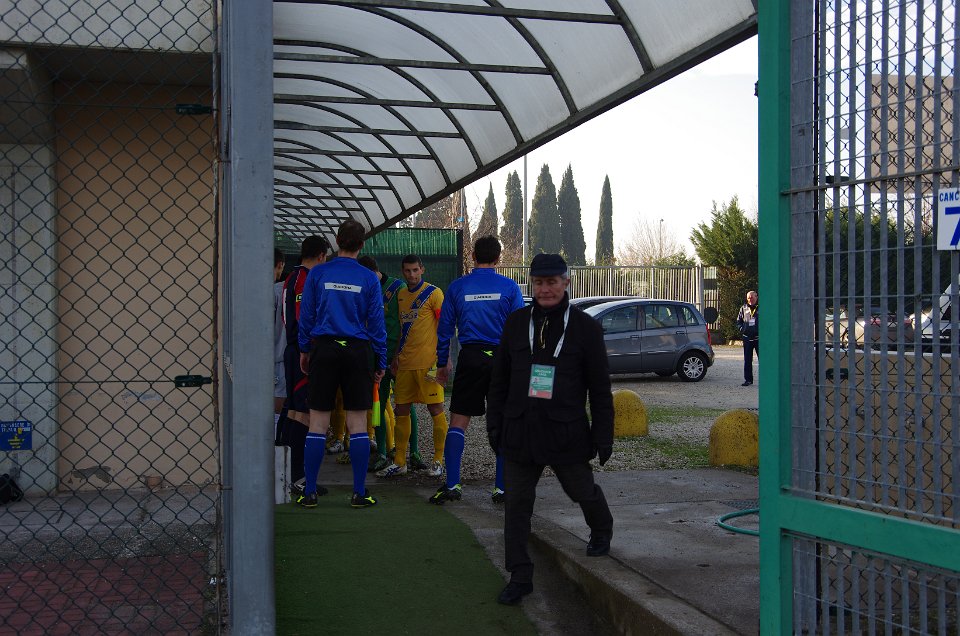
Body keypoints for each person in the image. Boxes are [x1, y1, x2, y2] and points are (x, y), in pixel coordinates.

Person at [486, 253, 614, 606]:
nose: (545, 289)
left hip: (565, 432)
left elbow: (600, 388)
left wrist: (603, 434)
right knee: (516, 505)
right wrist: (495, 424)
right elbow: (499, 381)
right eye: (539, 283)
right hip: (519, 431)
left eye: (552, 282)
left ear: (566, 282)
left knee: (581, 490)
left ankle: (601, 528)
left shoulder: (586, 328)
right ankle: (519, 576)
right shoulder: (516, 323)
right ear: (532, 284)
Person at [297, 220, 387, 508]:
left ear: (336, 241)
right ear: (362, 245)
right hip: (357, 351)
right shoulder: (369, 278)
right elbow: (377, 323)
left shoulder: (318, 272)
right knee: (357, 422)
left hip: (324, 348)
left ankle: (310, 492)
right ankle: (359, 493)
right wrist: (381, 358)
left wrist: (304, 349)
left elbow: (306, 315)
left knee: (317, 422)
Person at [429, 236, 524, 505]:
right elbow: (519, 330)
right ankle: (501, 489)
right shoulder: (509, 287)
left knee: (458, 422)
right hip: (501, 360)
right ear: (498, 258)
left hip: (471, 357)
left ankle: (452, 485)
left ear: (472, 256)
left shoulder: (458, 287)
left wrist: (442, 362)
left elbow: (445, 329)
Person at [377, 254, 447, 478]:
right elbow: (401, 329)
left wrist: (445, 359)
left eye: (415, 270)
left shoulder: (434, 293)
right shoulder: (401, 295)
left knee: (435, 409)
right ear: (403, 271)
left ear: (422, 270)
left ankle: (438, 460)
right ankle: (400, 462)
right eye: (407, 271)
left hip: (429, 364)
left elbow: (444, 327)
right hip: (405, 364)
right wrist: (396, 356)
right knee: (401, 410)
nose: (412, 274)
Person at [281, 236, 329, 502]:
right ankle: (299, 477)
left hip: (296, 350)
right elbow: (301, 318)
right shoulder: (304, 278)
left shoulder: (293, 276)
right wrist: (308, 349)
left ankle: (292, 473)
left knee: (294, 411)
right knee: (303, 414)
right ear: (321, 256)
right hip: (302, 353)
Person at [736, 290, 759, 386]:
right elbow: (738, 321)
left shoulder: (762, 308)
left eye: (752, 297)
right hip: (747, 338)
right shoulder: (743, 308)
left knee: (763, 360)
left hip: (758, 338)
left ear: (756, 297)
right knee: (747, 360)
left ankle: (765, 380)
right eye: (748, 298)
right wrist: (742, 329)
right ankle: (748, 380)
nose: (750, 299)